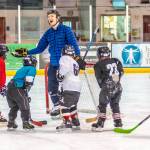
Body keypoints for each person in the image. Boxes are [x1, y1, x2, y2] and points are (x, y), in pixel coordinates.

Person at [26, 10, 83, 118]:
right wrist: (26, 52)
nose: (49, 18)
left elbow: (74, 44)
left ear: (58, 18)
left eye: (52, 16)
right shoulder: (48, 33)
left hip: (65, 64)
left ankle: (69, 107)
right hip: (54, 63)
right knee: (52, 86)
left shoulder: (66, 30)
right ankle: (57, 105)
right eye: (48, 17)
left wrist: (78, 57)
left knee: (66, 87)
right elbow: (40, 48)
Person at [91, 46, 124, 131]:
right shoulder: (116, 60)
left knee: (102, 104)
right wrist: (115, 81)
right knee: (115, 104)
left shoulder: (98, 65)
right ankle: (118, 122)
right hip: (118, 86)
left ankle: (100, 123)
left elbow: (99, 78)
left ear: (99, 55)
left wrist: (104, 87)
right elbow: (121, 72)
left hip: (107, 86)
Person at [6, 55, 37, 130]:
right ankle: (26, 123)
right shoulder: (32, 68)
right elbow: (29, 80)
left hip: (10, 87)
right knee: (24, 105)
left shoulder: (22, 69)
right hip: (17, 88)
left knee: (15, 106)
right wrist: (25, 96)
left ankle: (11, 122)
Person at [56, 45, 81, 131]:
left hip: (69, 86)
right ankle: (75, 121)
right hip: (77, 88)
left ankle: (67, 122)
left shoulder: (64, 58)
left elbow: (64, 69)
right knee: (72, 105)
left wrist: (60, 75)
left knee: (64, 105)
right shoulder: (75, 62)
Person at [0, 44, 9, 123]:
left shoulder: (1, 61)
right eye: (4, 53)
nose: (5, 55)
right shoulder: (0, 61)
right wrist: (1, 86)